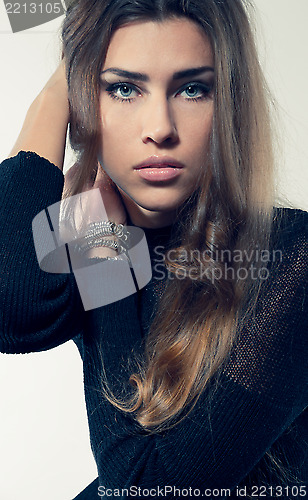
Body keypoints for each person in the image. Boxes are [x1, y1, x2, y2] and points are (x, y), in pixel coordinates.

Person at [0, 0, 307, 498]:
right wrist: (55, 93)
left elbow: (147, 486)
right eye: (123, 88)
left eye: (192, 88)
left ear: (228, 102)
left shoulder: (292, 255)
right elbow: (13, 313)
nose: (160, 127)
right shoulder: (95, 223)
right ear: (85, 103)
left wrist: (105, 263)